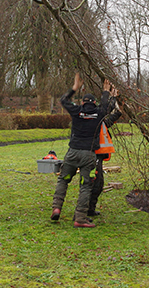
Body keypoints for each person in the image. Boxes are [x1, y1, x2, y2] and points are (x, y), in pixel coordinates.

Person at [51, 73, 110, 228]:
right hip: (88, 155)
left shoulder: (77, 111)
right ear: (94, 102)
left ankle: (57, 207)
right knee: (85, 185)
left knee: (63, 179)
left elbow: (63, 101)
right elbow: (107, 107)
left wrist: (74, 88)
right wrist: (106, 91)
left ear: (83, 102)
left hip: (72, 153)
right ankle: (80, 218)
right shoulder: (98, 113)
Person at [88, 89, 122, 217]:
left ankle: (90, 208)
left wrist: (119, 110)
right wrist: (111, 97)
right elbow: (105, 110)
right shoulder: (93, 120)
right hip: (92, 156)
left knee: (98, 184)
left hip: (99, 156)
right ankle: (86, 209)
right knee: (93, 183)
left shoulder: (101, 123)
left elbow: (110, 118)